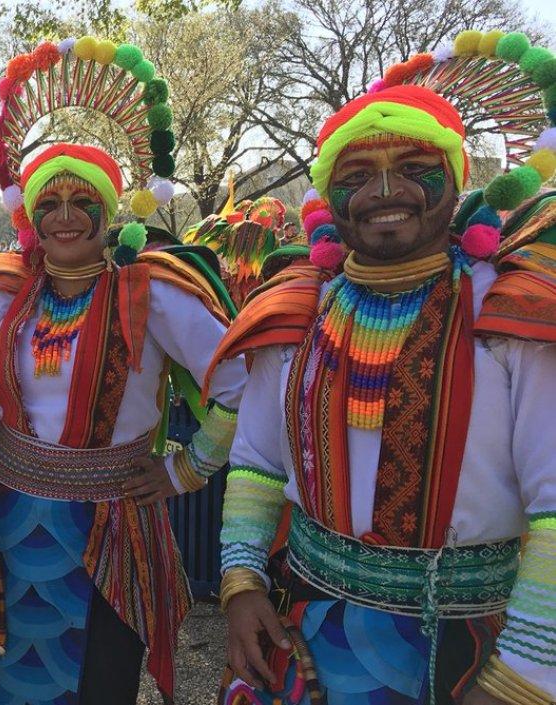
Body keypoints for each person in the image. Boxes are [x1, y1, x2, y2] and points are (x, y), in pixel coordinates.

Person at [212, 82, 556, 705]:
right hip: (304, 625)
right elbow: (256, 463)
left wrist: (520, 679)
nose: (385, 191)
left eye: (415, 168)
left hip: (468, 648)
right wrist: (242, 582)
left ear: (457, 180)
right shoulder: (298, 309)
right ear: (330, 197)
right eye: (357, 176)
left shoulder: (513, 315)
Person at [0, 37, 247, 704]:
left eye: (83, 200)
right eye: (49, 202)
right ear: (30, 215)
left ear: (110, 212)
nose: (65, 215)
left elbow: (239, 380)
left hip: (115, 527)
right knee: (12, 676)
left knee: (98, 681)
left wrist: (186, 470)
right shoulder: (4, 293)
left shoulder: (151, 293)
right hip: (19, 521)